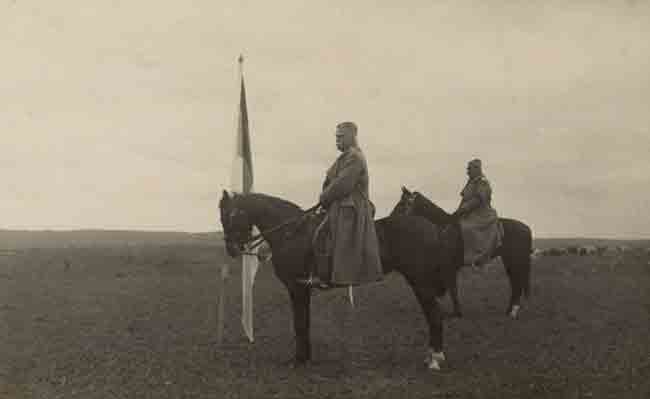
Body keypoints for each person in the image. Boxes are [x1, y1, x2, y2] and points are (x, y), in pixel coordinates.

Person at [303, 121, 383, 288]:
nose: (337, 140)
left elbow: (342, 185)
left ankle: (327, 278)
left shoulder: (354, 157)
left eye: (341, 137)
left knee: (321, 236)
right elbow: (332, 181)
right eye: (336, 137)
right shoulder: (346, 156)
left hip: (350, 209)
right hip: (339, 206)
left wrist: (324, 197)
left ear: (351, 137)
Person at [453, 158, 503, 268]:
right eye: (468, 169)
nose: (467, 172)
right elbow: (464, 199)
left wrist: (464, 209)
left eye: (469, 169)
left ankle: (477, 257)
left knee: (467, 228)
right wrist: (457, 211)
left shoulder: (482, 182)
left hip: (482, 214)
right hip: (469, 213)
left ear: (476, 169)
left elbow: (478, 200)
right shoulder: (470, 183)